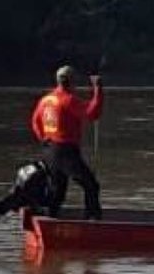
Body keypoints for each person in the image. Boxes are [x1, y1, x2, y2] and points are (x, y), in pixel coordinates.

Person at [31, 65, 104, 220]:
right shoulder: (68, 100)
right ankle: (93, 220)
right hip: (65, 150)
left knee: (57, 191)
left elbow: (35, 122)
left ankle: (48, 219)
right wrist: (98, 89)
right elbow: (92, 113)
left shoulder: (45, 100)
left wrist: (44, 140)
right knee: (91, 185)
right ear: (72, 82)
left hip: (49, 149)